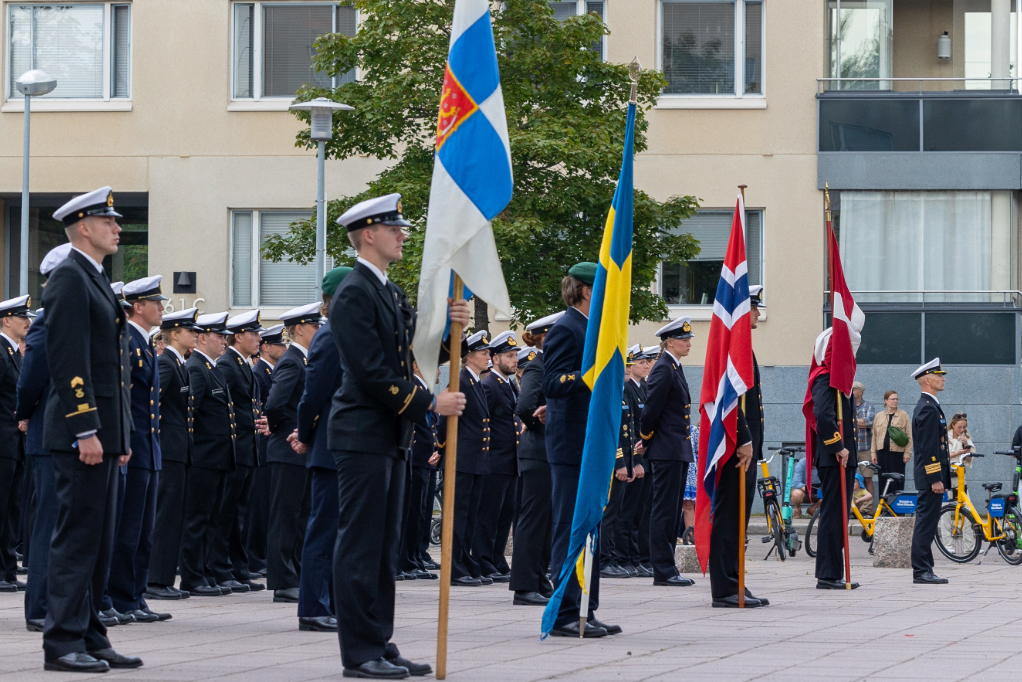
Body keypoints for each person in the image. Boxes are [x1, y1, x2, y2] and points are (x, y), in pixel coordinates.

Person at [331, 193, 467, 679]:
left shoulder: (387, 290)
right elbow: (371, 372)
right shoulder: (354, 292)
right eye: (394, 230)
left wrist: (452, 332)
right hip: (362, 432)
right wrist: (431, 403)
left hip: (388, 435)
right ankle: (359, 651)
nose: (402, 236)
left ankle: (379, 640)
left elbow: (412, 353)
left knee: (383, 546)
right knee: (361, 545)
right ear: (369, 235)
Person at [43, 187, 140, 672]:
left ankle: (90, 632)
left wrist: (117, 436)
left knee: (100, 541)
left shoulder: (94, 277)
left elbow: (111, 370)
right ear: (84, 227)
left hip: (104, 436)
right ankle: (61, 642)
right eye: (109, 222)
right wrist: (86, 430)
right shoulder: (68, 279)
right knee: (78, 538)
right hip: (80, 436)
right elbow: (70, 363)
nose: (118, 228)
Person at [543, 262, 619, 638]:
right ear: (587, 291)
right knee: (569, 528)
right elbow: (552, 382)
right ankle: (563, 613)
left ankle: (586, 607)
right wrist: (588, 376)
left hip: (592, 444)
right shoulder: (566, 328)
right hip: (571, 445)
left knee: (591, 526)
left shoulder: (593, 330)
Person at [291, 267, 351, 632]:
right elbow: (312, 395)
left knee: (338, 530)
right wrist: (306, 432)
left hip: (341, 447)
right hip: (329, 446)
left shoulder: (345, 335)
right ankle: (313, 606)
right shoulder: (329, 338)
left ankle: (327, 601)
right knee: (323, 530)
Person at [105, 276, 169, 624]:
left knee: (143, 530)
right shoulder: (129, 341)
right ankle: (121, 596)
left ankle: (135, 595)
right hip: (135, 448)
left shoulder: (143, 344)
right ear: (137, 307)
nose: (162, 308)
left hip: (148, 448)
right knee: (128, 530)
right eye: (155, 302)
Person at [18, 244, 71, 629]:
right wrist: (24, 413)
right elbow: (31, 377)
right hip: (49, 432)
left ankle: (62, 604)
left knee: (68, 525)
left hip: (71, 433)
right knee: (49, 524)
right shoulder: (48, 317)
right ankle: (38, 606)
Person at [708, 284, 768, 607]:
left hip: (746, 450)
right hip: (736, 449)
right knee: (729, 517)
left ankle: (736, 579)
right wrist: (744, 438)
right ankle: (725, 587)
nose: (758, 313)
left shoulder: (746, 348)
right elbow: (729, 401)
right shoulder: (735, 348)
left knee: (738, 520)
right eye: (755, 308)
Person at [264, 302, 320, 603]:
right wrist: (279, 428)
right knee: (284, 518)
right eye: (314, 326)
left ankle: (295, 574)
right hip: (287, 449)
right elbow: (274, 404)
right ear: (299, 328)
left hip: (301, 450)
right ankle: (282, 580)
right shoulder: (292, 361)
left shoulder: (307, 361)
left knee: (301, 517)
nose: (318, 331)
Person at [179, 312, 237, 597]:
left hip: (218, 457)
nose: (224, 342)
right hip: (204, 456)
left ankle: (205, 571)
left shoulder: (212, 368)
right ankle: (192, 576)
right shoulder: (196, 368)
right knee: (197, 518)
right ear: (202, 338)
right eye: (219, 336)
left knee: (212, 518)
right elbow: (192, 413)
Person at [212, 310, 266, 594]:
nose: (258, 338)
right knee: (228, 514)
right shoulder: (227, 365)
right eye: (253, 333)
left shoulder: (242, 364)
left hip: (249, 448)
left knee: (241, 512)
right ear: (238, 336)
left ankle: (239, 568)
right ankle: (223, 569)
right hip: (235, 450)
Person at [510, 312, 562, 606]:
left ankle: (540, 579)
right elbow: (525, 407)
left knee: (546, 522)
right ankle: (524, 586)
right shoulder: (537, 365)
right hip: (537, 452)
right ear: (546, 337)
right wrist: (542, 429)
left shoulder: (550, 364)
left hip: (548, 452)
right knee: (532, 521)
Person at [146, 307, 198, 601]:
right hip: (167, 449)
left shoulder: (177, 363)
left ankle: (162, 578)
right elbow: (153, 406)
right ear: (175, 334)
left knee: (171, 515)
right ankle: (156, 579)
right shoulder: (166, 363)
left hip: (177, 450)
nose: (195, 335)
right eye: (190, 331)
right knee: (164, 515)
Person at [640, 316, 696, 589]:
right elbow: (651, 409)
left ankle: (667, 566)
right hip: (666, 448)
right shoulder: (664, 368)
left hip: (676, 448)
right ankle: (662, 569)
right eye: (684, 340)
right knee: (663, 510)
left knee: (671, 510)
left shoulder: (674, 366)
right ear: (670, 342)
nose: (688, 344)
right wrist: (646, 438)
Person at [807, 329, 858, 590]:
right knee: (833, 514)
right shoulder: (825, 377)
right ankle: (827, 574)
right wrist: (837, 445)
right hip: (834, 456)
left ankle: (834, 571)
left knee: (840, 515)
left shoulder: (841, 381)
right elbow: (823, 415)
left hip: (843, 456)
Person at [445, 330, 492, 587]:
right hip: (461, 458)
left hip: (475, 459)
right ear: (470, 357)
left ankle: (464, 559)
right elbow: (448, 419)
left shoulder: (474, 381)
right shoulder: (461, 380)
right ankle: (453, 565)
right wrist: (441, 448)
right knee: (458, 514)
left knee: (470, 515)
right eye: (484, 354)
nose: (489, 358)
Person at [476, 331, 521, 583]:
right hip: (495, 460)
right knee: (489, 515)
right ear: (495, 359)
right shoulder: (489, 386)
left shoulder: (509, 384)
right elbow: (485, 423)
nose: (514, 360)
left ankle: (496, 558)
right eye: (509, 356)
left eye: (515, 356)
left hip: (511, 461)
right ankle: (483, 559)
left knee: (505, 515)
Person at [247, 325, 285, 577]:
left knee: (268, 505)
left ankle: (262, 555)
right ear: (266, 348)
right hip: (261, 446)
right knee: (259, 506)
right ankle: (255, 556)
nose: (284, 348)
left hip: (269, 447)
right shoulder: (259, 373)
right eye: (279, 344)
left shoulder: (273, 371)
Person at [910, 358, 951, 585]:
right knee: (926, 522)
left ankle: (925, 569)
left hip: (930, 476)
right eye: (939, 375)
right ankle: (921, 571)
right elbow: (928, 448)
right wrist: (936, 478)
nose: (943, 379)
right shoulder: (927, 408)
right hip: (930, 477)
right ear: (927, 379)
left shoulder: (929, 405)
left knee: (928, 521)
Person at [398, 360, 440, 581]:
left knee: (420, 511)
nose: (439, 370)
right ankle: (406, 559)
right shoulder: (414, 387)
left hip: (425, 457)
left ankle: (414, 557)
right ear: (417, 366)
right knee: (412, 510)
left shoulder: (423, 389)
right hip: (415, 457)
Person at [0, 295, 29, 596]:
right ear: (6, 319)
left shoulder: (14, 353)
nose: (28, 322)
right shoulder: (0, 351)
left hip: (13, 441)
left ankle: (7, 569)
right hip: (3, 439)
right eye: (22, 317)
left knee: (11, 507)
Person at [616, 345, 654, 577]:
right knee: (625, 514)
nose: (644, 366)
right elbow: (627, 430)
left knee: (640, 513)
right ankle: (625, 557)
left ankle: (635, 557)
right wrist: (631, 461)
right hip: (631, 459)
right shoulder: (627, 389)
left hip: (641, 458)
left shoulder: (642, 388)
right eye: (639, 363)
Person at [599, 357, 634, 579]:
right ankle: (603, 560)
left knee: (615, 513)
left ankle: (609, 556)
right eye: (625, 367)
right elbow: (610, 431)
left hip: (624, 462)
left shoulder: (622, 392)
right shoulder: (611, 392)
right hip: (613, 463)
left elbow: (628, 431)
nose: (629, 370)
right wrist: (620, 463)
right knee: (608, 514)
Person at [869, 391, 912, 495]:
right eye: (893, 399)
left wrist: (907, 453)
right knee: (883, 480)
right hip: (882, 454)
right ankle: (883, 508)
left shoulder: (903, 415)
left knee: (896, 481)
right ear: (886, 401)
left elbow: (909, 436)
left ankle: (896, 509)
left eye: (897, 399)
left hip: (897, 454)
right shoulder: (879, 416)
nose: (895, 401)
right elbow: (874, 437)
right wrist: (873, 454)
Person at [852, 381, 875, 509]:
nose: (851, 391)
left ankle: (867, 509)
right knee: (850, 479)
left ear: (860, 392)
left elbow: (870, 422)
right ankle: (851, 508)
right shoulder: (847, 406)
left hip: (865, 448)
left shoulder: (869, 406)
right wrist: (860, 422)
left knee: (867, 478)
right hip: (850, 449)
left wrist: (853, 421)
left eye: (854, 389)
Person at [947, 413, 975, 499]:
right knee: (945, 502)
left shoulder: (966, 438)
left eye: (964, 427)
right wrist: (956, 453)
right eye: (959, 427)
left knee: (965, 501)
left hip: (960, 473)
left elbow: (969, 460)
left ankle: (965, 513)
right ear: (953, 425)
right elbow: (942, 456)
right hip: (947, 472)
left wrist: (966, 444)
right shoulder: (944, 437)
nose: (962, 430)